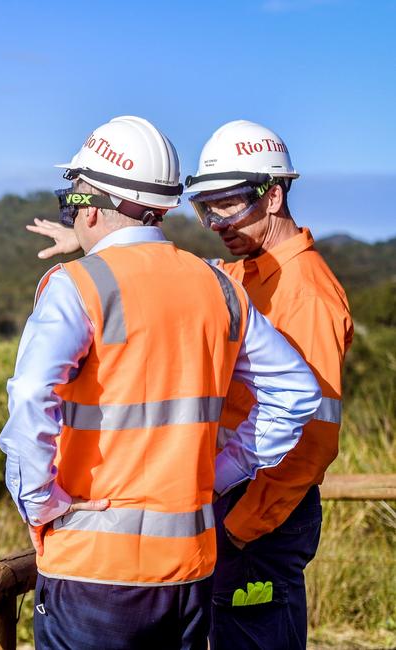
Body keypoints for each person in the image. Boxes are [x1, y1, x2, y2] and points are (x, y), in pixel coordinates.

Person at [0, 115, 321, 649]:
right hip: (190, 568)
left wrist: (39, 502)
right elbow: (296, 392)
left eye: (72, 199)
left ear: (96, 205)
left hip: (91, 569)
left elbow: (32, 399)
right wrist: (221, 473)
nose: (71, 210)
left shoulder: (74, 287)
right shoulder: (217, 285)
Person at [184, 120, 354, 650]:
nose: (215, 222)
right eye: (204, 208)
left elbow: (314, 440)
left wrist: (240, 528)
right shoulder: (251, 274)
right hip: (241, 505)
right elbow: (188, 278)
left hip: (260, 519)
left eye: (227, 205)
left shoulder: (306, 295)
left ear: (273, 195)